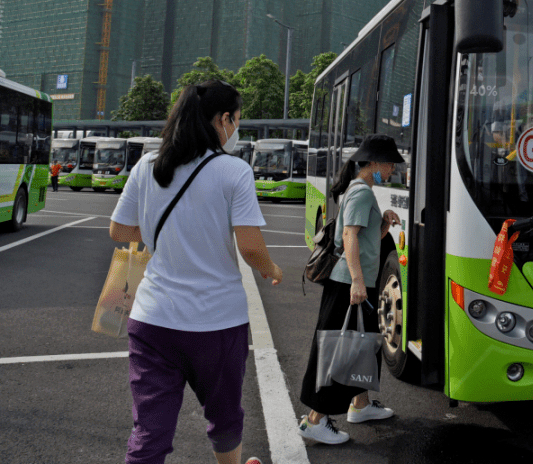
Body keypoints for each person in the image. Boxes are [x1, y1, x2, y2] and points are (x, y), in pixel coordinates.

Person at [108, 80, 282, 464]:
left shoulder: (147, 165)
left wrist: (159, 234)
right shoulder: (233, 171)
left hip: (151, 320)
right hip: (216, 323)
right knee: (223, 415)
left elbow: (119, 230)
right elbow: (250, 247)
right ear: (223, 120)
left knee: (149, 429)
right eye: (237, 120)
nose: (236, 129)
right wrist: (272, 268)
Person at [297, 133, 403, 446]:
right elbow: (349, 236)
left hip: (354, 283)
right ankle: (314, 421)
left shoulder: (364, 190)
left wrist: (383, 224)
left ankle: (360, 404)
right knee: (339, 350)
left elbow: (366, 237)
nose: (393, 170)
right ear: (374, 163)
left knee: (361, 343)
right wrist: (357, 281)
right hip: (348, 284)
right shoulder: (361, 192)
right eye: (390, 164)